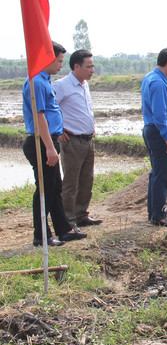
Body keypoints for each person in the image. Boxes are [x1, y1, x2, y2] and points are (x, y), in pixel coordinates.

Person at [22, 41, 86, 247]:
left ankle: (63, 229)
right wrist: (49, 147)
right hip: (41, 143)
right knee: (45, 190)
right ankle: (41, 236)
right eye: (58, 61)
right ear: (46, 59)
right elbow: (39, 117)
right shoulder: (37, 83)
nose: (61, 65)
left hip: (48, 141)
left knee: (55, 186)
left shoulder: (44, 81)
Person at [53, 49, 102, 227]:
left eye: (93, 66)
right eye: (89, 66)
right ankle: (68, 219)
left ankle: (81, 214)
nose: (92, 70)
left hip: (88, 140)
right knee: (71, 182)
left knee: (86, 181)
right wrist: (59, 130)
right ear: (76, 66)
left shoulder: (84, 85)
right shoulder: (62, 86)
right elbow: (50, 108)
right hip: (72, 141)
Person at [141, 47, 167, 227]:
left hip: (150, 129)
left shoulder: (149, 77)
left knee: (155, 173)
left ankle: (153, 212)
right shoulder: (158, 83)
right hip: (158, 132)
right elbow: (159, 116)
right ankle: (159, 216)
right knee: (161, 175)